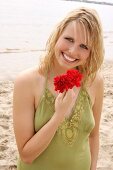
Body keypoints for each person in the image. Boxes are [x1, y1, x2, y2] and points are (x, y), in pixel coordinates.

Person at [13, 7, 104, 170]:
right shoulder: (26, 81)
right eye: (69, 39)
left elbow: (94, 136)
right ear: (57, 36)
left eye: (84, 46)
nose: (73, 50)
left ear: (91, 52)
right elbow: (26, 155)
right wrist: (58, 115)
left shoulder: (95, 81)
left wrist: (93, 167)